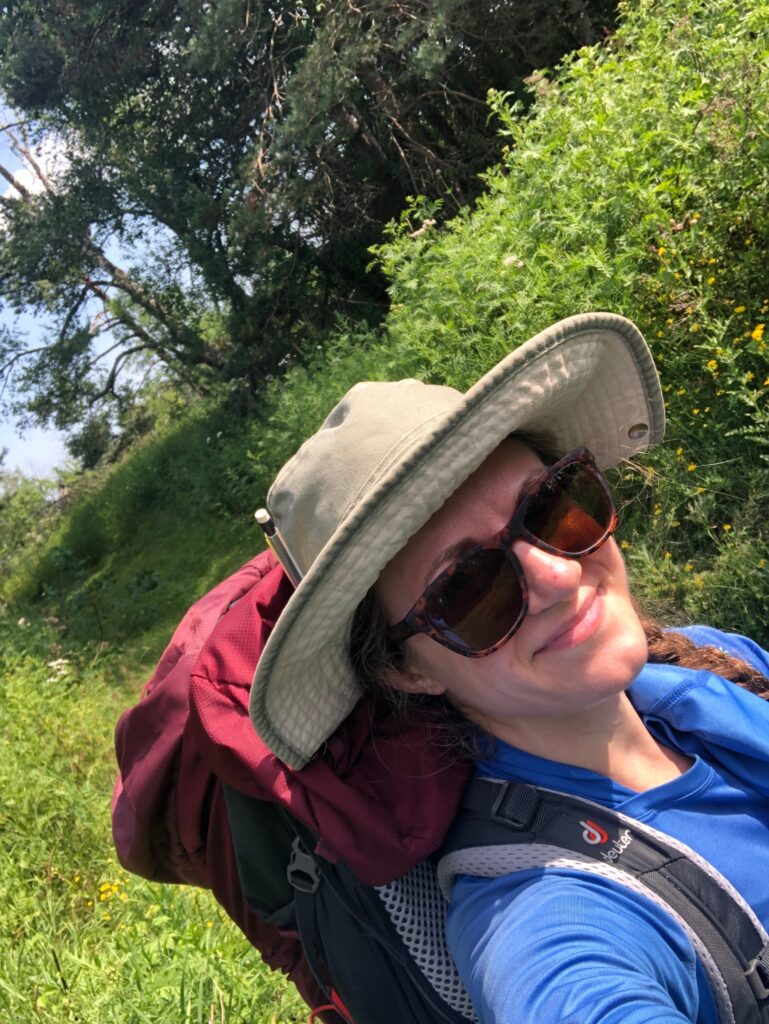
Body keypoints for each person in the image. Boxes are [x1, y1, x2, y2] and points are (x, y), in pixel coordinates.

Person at [248, 312, 769, 1024]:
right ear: (408, 671)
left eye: (552, 506)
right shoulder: (542, 917)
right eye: (468, 591)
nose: (556, 575)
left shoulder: (712, 658)